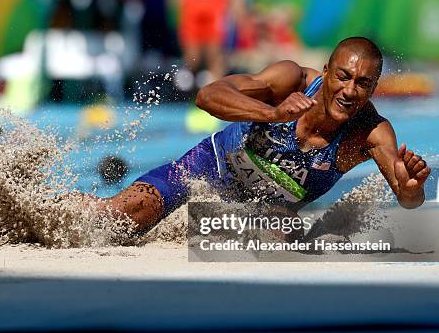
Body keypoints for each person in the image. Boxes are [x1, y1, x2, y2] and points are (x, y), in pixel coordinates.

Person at [100, 37, 432, 232]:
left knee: (279, 238)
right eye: (343, 77)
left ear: (374, 88)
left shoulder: (371, 132)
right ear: (327, 72)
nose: (349, 91)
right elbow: (208, 96)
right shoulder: (291, 79)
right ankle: (51, 209)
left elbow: (408, 199)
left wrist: (411, 188)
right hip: (204, 170)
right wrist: (272, 113)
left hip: (260, 216)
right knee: (129, 214)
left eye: (363, 84)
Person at [177, 0, 246, 85]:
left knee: (214, 54)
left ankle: (215, 91)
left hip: (217, 0)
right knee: (192, 58)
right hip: (191, 0)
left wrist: (236, 2)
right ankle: (189, 91)